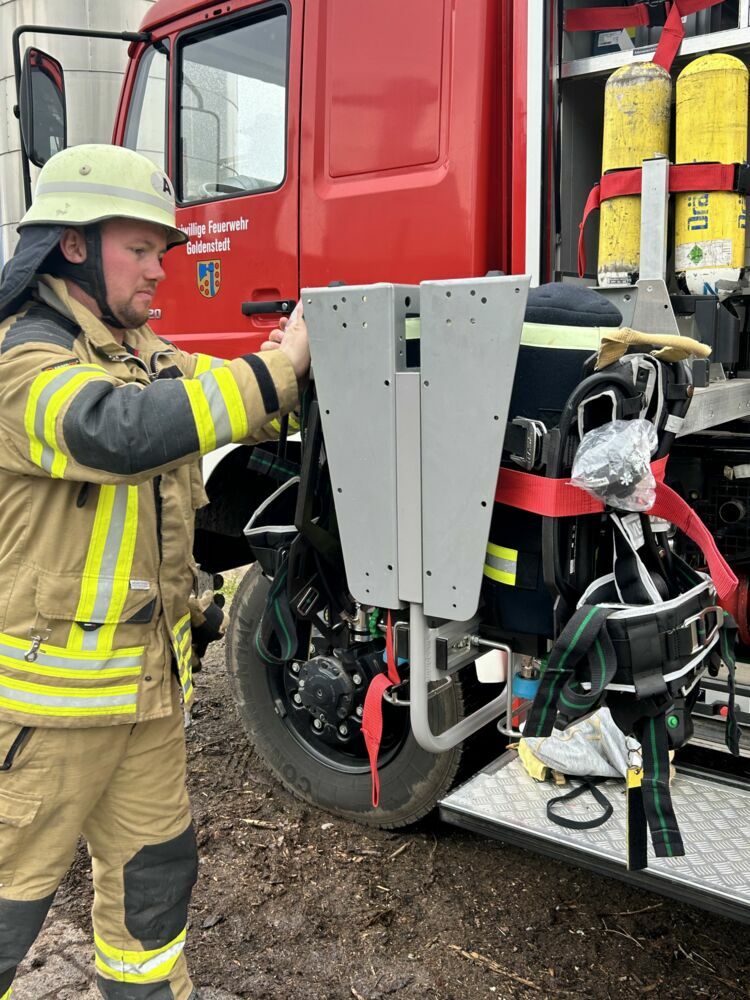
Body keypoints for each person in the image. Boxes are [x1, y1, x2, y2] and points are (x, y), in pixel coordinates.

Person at [0, 144, 309, 1000]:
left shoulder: (140, 350)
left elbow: (215, 400)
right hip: (46, 716)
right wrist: (276, 371)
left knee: (154, 889)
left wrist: (292, 371)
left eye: (161, 252)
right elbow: (121, 432)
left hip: (146, 695)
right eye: (139, 249)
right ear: (73, 246)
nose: (158, 270)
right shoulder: (21, 361)